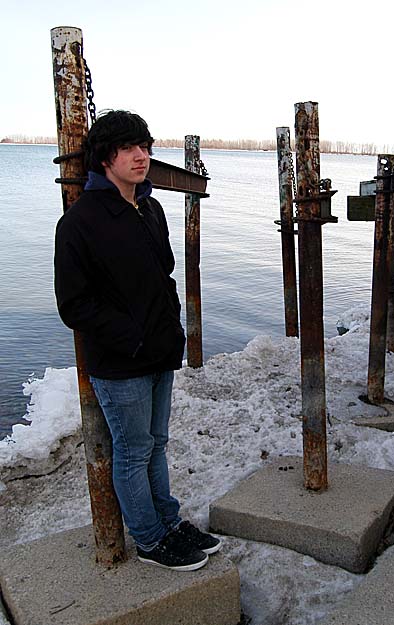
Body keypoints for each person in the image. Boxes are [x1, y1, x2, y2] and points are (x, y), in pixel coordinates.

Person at [54, 109, 220, 571]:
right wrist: (130, 337)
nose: (141, 156)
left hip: (158, 352)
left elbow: (163, 276)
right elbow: (74, 305)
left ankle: (167, 521)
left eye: (145, 147)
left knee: (157, 443)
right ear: (106, 158)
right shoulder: (81, 221)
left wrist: (171, 331)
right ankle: (149, 540)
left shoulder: (149, 209)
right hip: (121, 360)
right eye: (129, 148)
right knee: (132, 451)